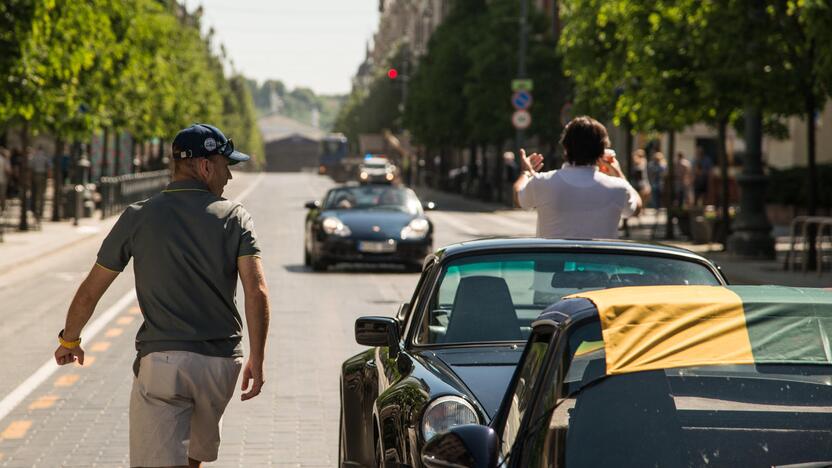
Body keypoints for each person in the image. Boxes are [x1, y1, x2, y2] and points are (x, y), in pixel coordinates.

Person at [54, 123, 270, 468]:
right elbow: (255, 290)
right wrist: (257, 358)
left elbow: (90, 291)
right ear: (204, 166)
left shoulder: (139, 216)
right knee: (191, 459)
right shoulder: (235, 217)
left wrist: (70, 340)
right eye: (226, 165)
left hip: (164, 364)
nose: (229, 176)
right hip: (220, 365)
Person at [513, 116, 642, 239]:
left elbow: (518, 198)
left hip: (553, 262)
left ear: (565, 147)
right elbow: (636, 209)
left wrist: (526, 172)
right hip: (599, 262)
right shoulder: (618, 187)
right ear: (602, 150)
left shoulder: (543, 182)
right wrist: (618, 172)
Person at [29, 145, 52, 220]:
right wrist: (49, 177)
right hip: (43, 176)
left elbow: (31, 168)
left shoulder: (34, 157)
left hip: (35, 175)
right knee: (42, 194)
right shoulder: (45, 157)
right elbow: (49, 168)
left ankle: (35, 210)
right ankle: (40, 211)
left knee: (35, 194)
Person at [0, 147, 10, 213]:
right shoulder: (4, 160)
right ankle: (2, 208)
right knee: (2, 195)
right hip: (2, 179)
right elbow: (8, 170)